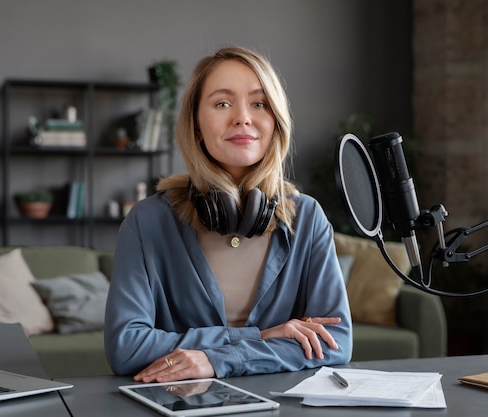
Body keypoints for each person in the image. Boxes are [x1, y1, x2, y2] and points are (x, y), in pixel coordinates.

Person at [104, 46, 352, 382]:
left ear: (276, 120)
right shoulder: (147, 222)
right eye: (222, 103)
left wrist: (218, 360)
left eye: (259, 103)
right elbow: (127, 346)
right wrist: (257, 338)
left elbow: (335, 342)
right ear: (195, 125)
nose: (243, 118)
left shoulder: (307, 218)